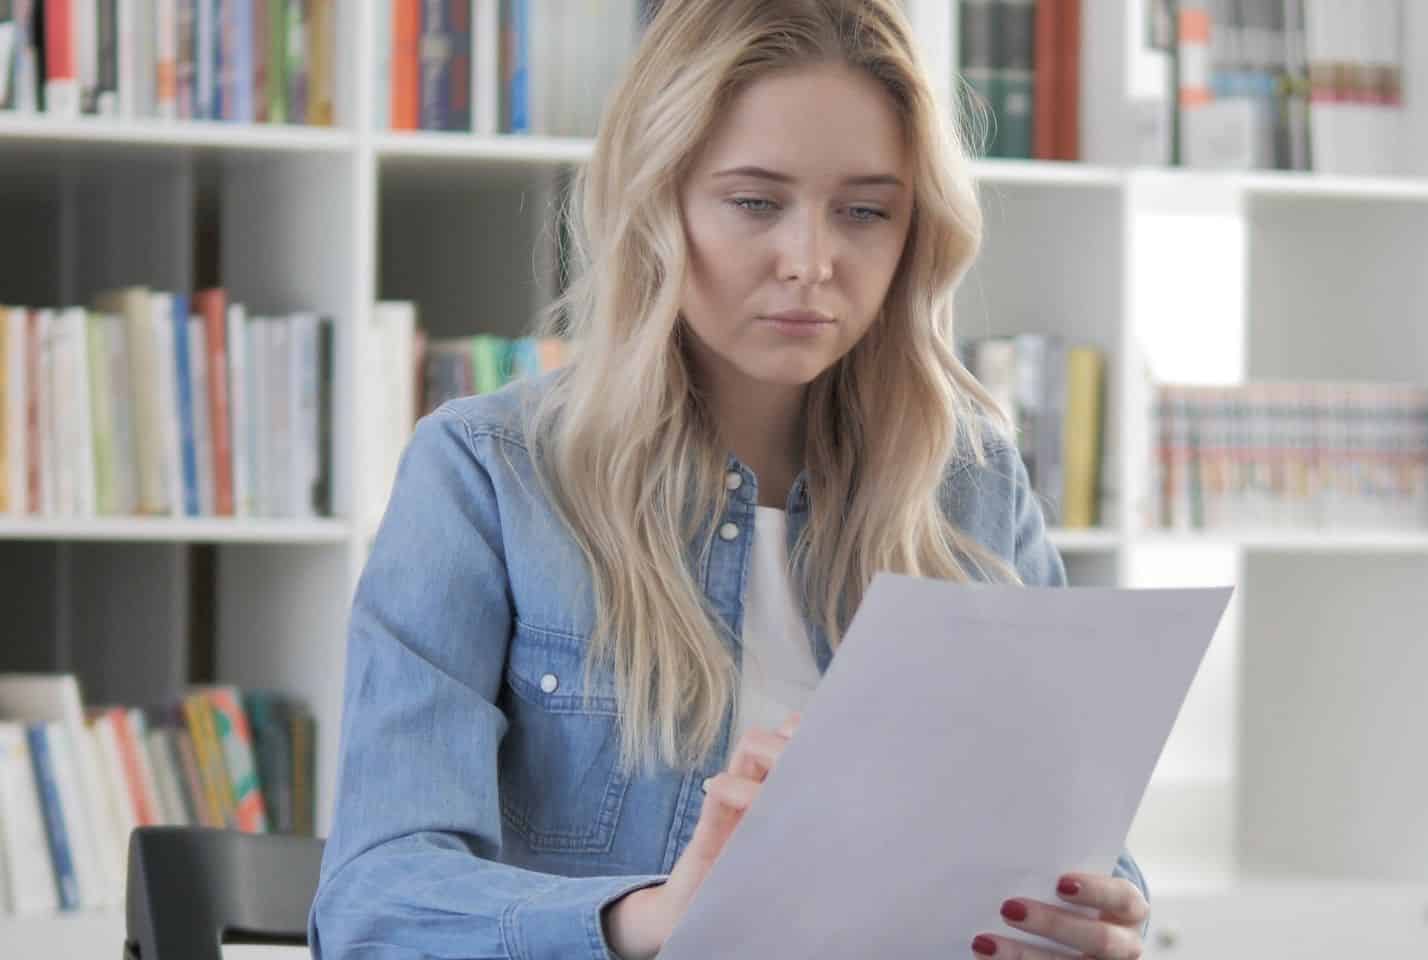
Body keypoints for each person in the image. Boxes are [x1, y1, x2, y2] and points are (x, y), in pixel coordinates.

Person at [309, 1, 1150, 957]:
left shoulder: (974, 484)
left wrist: (1097, 914)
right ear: (655, 201)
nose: (811, 262)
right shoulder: (487, 473)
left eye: (866, 211)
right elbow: (373, 904)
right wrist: (649, 922)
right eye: (755, 203)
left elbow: (1074, 847)